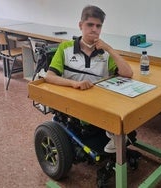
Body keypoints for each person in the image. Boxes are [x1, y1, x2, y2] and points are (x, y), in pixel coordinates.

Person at [45, 5, 133, 153]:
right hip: (75, 103)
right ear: (81, 25)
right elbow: (49, 77)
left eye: (98, 26)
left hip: (100, 102)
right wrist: (75, 83)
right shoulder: (65, 48)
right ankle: (113, 135)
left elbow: (127, 73)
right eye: (90, 24)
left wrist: (109, 49)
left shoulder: (104, 53)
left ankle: (115, 134)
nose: (94, 29)